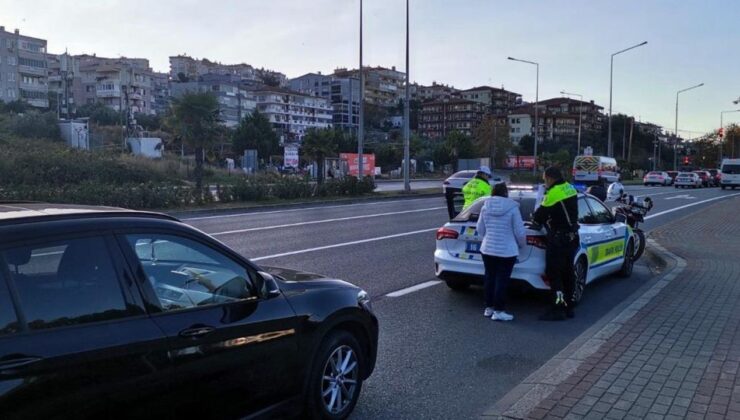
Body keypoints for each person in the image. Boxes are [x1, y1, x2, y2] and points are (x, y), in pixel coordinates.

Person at [532, 167, 579, 321]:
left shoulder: (553, 193)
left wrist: (535, 216)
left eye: (545, 179)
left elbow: (539, 216)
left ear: (551, 178)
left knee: (554, 273)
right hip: (571, 238)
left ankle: (557, 308)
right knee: (568, 272)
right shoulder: (569, 188)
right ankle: (569, 306)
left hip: (558, 240)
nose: (544, 182)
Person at [476, 183, 526, 321]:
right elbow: (520, 232)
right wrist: (522, 245)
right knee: (502, 280)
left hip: (487, 249)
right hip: (507, 251)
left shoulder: (485, 206)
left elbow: (480, 229)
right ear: (505, 193)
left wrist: (488, 237)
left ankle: (489, 308)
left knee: (489, 278)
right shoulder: (513, 208)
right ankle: (499, 310)